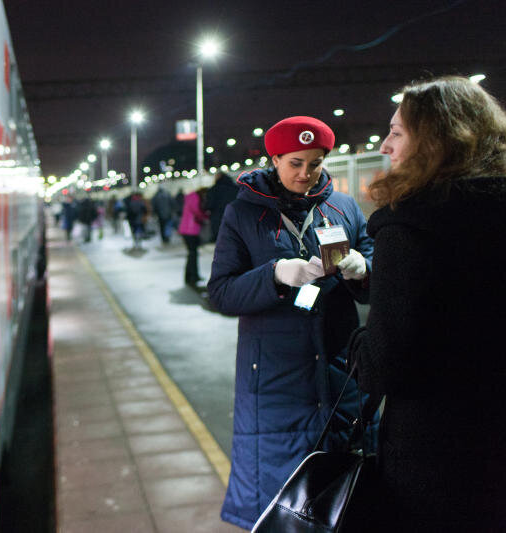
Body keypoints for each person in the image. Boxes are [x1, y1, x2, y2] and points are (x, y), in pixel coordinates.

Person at [347, 76, 506, 532]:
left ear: (434, 140)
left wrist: (355, 344)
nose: (386, 145)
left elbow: (385, 364)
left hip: (433, 452)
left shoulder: (410, 226)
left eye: (396, 132)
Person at [207, 116, 375, 529]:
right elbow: (222, 292)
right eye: (295, 163)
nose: (306, 173)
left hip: (339, 369)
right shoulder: (242, 213)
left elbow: (376, 281)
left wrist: (364, 268)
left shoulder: (344, 207)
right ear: (275, 158)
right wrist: (276, 275)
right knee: (280, 501)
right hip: (273, 374)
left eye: (315, 163)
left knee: (343, 494)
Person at [178, 187, 209, 287]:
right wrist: (205, 216)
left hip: (187, 229)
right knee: (193, 253)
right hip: (190, 229)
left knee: (192, 253)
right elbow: (196, 211)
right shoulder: (195, 197)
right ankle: (192, 277)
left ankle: (191, 276)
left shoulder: (190, 197)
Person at [205, 171, 238, 242]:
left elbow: (209, 205)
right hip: (235, 218)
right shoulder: (235, 188)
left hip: (219, 220)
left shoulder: (213, 190)